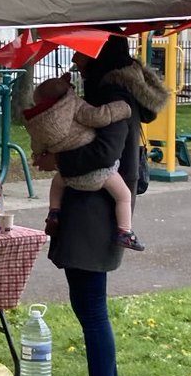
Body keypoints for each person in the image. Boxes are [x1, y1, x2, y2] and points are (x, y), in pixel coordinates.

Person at [35, 36, 168, 376]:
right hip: (95, 213)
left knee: (91, 310)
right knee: (91, 307)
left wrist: (56, 159)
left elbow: (103, 154)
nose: (75, 59)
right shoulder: (117, 92)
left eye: (81, 52)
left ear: (98, 56)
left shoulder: (111, 95)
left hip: (94, 215)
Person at [22, 72, 143, 251]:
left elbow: (37, 145)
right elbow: (97, 116)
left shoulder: (37, 122)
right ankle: (125, 231)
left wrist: (39, 155)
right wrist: (122, 109)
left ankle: (54, 212)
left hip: (68, 176)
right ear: (67, 92)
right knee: (124, 196)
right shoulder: (73, 105)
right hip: (100, 174)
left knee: (56, 184)